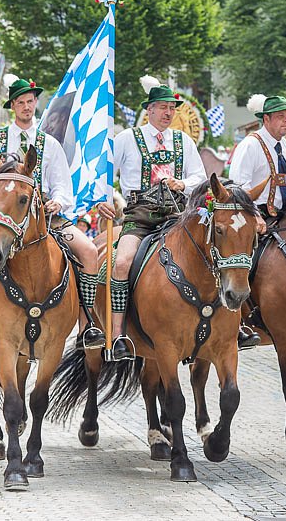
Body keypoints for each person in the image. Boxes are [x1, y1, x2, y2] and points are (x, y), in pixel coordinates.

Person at [0, 77, 105, 352]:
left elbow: (62, 184)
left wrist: (58, 202)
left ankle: (87, 324)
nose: (25, 107)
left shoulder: (50, 143)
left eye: (29, 101)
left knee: (90, 251)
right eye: (20, 102)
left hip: (45, 216)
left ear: (35, 103)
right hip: (1, 217)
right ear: (12, 106)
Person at [96, 75, 207, 361]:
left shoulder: (184, 141)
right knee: (121, 263)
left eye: (172, 108)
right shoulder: (126, 138)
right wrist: (103, 200)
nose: (168, 113)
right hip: (140, 217)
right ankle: (118, 336)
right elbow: (105, 172)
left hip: (179, 216)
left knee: (218, 253)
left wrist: (182, 184)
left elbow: (200, 177)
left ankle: (224, 326)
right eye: (162, 107)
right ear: (150, 110)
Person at [227, 93, 286, 349]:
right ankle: (236, 321)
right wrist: (256, 218)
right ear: (267, 119)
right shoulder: (250, 145)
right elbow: (238, 188)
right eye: (281, 117)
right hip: (255, 215)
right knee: (242, 260)